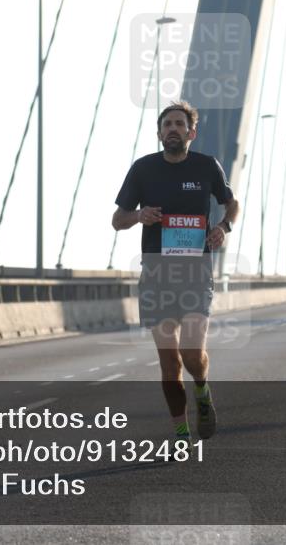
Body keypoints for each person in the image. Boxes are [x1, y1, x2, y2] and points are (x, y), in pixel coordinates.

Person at [112, 101, 240, 443]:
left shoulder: (206, 166)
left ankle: (201, 389)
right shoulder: (143, 169)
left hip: (196, 274)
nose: (172, 128)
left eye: (179, 124)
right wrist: (139, 216)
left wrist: (224, 227)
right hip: (156, 276)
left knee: (191, 354)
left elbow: (232, 203)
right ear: (158, 133)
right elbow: (117, 220)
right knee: (169, 365)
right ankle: (181, 432)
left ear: (191, 133)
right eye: (167, 124)